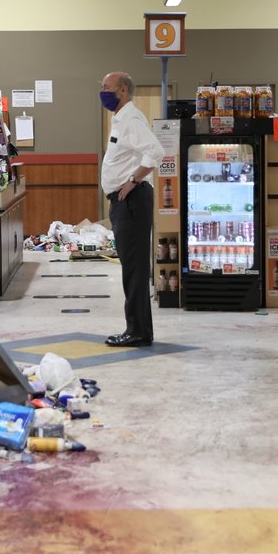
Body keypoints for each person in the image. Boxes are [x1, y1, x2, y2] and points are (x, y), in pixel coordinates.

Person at [99, 71, 165, 347]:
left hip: (132, 201)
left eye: (106, 87)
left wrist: (133, 180)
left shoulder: (131, 119)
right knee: (132, 268)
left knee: (135, 270)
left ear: (122, 90)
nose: (102, 91)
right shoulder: (120, 119)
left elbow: (156, 152)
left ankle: (137, 331)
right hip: (124, 202)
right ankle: (139, 329)